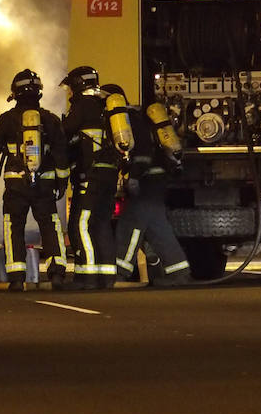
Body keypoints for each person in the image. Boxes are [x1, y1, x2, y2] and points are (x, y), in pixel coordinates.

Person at [0, 69, 71, 291]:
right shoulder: (50, 119)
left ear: (15, 93)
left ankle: (16, 276)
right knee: (50, 225)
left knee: (13, 225)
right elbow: (62, 154)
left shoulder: (7, 119)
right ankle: (57, 274)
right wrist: (61, 183)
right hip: (44, 183)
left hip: (16, 183)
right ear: (39, 93)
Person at [102, 85, 192, 286]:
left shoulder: (129, 121)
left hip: (146, 180)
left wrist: (133, 176)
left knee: (130, 225)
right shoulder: (139, 116)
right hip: (157, 179)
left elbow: (142, 152)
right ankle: (180, 273)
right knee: (156, 227)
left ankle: (120, 272)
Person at [60, 66, 120, 289]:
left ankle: (88, 275)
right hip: (108, 174)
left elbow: (64, 131)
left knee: (81, 224)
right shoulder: (104, 105)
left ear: (78, 85)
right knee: (101, 223)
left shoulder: (82, 105)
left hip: (90, 175)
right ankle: (107, 276)